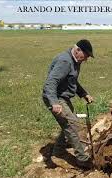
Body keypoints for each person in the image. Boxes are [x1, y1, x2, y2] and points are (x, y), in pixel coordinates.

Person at [42, 39, 94, 169]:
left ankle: (58, 150)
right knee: (73, 125)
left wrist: (84, 94)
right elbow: (50, 83)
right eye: (85, 56)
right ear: (77, 50)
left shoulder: (76, 61)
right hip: (56, 98)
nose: (86, 59)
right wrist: (54, 103)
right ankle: (82, 159)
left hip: (63, 98)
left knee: (68, 124)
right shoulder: (65, 61)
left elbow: (73, 81)